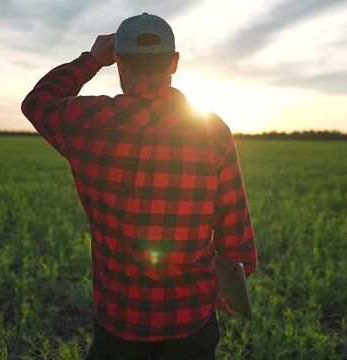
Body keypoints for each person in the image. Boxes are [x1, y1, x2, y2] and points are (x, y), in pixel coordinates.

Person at [21, 13, 257, 360]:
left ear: (118, 62)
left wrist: (90, 60)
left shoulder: (89, 122)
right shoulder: (211, 130)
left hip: (120, 321)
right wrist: (226, 289)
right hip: (191, 319)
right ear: (174, 63)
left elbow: (37, 102)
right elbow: (235, 233)